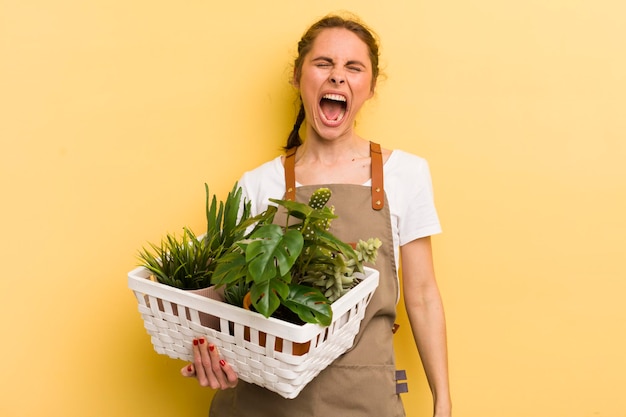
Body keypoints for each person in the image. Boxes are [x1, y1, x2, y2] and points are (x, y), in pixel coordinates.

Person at [180, 13, 452, 417]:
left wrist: (442, 401)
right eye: (323, 63)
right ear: (297, 76)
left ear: (370, 87)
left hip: (365, 399)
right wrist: (211, 354)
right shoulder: (258, 185)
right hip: (264, 403)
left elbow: (424, 296)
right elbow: (228, 303)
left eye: (353, 67)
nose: (337, 77)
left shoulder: (405, 175)